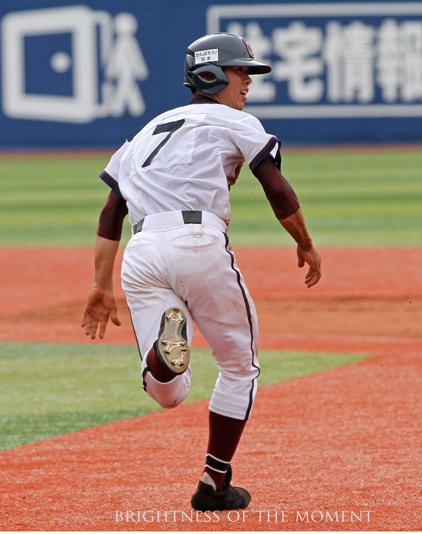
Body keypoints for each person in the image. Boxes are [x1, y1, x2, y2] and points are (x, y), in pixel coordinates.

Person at [80, 32, 322, 511]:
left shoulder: (145, 132)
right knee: (240, 366)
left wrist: (99, 287)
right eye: (241, 72)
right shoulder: (234, 120)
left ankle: (160, 360)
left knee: (169, 394)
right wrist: (306, 243)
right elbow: (274, 184)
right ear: (212, 75)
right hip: (198, 242)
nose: (247, 82)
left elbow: (112, 213)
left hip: (142, 251)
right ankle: (214, 485)